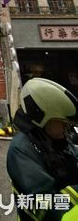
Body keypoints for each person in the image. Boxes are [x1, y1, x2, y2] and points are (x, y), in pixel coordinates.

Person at [7, 77, 78, 220]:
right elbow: (46, 204)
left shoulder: (56, 140)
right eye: (62, 123)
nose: (67, 128)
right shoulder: (21, 149)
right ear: (42, 117)